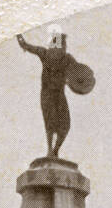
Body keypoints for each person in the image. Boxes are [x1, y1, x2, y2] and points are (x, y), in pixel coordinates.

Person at [17, 29, 80, 159]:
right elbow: (27, 46)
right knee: (50, 123)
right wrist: (18, 35)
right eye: (61, 43)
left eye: (64, 44)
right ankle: (50, 151)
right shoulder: (45, 54)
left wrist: (74, 80)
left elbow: (79, 73)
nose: (63, 46)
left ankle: (55, 150)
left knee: (65, 125)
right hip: (47, 94)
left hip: (59, 95)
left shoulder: (67, 59)